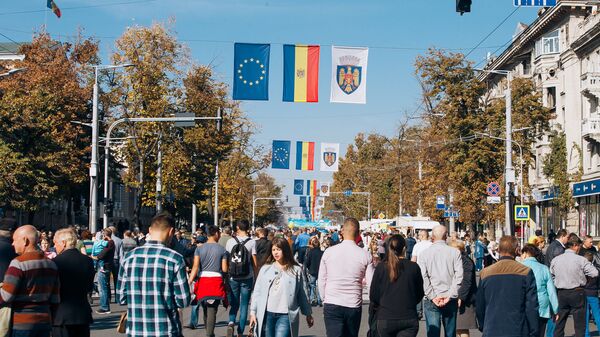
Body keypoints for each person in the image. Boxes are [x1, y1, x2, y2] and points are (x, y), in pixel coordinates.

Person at [119, 212, 191, 337]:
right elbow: (183, 300)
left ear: (150, 230)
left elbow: (121, 297)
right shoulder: (175, 259)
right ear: (171, 232)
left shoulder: (128, 258)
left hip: (136, 330)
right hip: (165, 329)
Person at [0, 225, 60, 337]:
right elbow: (55, 298)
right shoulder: (51, 264)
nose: (12, 244)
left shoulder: (18, 263)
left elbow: (6, 295)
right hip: (44, 322)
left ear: (25, 241)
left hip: (22, 322)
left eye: (14, 240)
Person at [249, 237, 314, 337]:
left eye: (278, 249)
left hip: (286, 315)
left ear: (285, 250)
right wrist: (253, 312)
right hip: (267, 313)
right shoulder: (265, 269)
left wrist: (308, 313)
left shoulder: (296, 270)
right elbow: (257, 291)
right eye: (273, 250)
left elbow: (303, 293)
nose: (276, 253)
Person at [318, 218, 372, 337]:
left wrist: (324, 299)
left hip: (332, 301)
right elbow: (371, 283)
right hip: (353, 303)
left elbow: (321, 279)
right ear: (358, 233)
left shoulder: (329, 252)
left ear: (342, 231)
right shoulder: (365, 255)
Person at [476, 236, 539, 337]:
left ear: (499, 250)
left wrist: (483, 326)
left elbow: (480, 305)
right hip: (518, 329)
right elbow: (531, 306)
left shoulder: (485, 273)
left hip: (492, 328)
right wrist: (534, 331)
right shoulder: (525, 272)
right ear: (516, 250)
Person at [369, 235, 424, 337]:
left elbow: (373, 294)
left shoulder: (381, 267)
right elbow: (420, 293)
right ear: (404, 249)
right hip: (408, 316)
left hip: (386, 316)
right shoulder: (413, 267)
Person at [417, 225, 463, 337]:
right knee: (450, 333)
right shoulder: (455, 253)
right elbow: (459, 276)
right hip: (450, 298)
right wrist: (450, 295)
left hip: (432, 299)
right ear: (446, 236)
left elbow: (423, 277)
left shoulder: (424, 254)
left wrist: (432, 296)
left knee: (433, 333)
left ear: (432, 237)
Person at [550, 234, 598, 337]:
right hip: (577, 292)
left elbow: (552, 275)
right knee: (579, 324)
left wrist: (559, 281)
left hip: (561, 292)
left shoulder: (556, 260)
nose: (579, 249)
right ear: (575, 245)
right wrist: (585, 277)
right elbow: (595, 273)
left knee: (560, 322)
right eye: (579, 247)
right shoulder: (581, 260)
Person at [52, 228, 95, 337]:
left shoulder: (55, 262)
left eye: (55, 243)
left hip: (61, 315)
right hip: (82, 313)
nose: (54, 246)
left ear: (64, 243)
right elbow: (89, 287)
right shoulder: (88, 261)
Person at [188, 225, 229, 336]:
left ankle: (208, 331)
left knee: (205, 308)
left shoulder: (199, 249)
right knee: (213, 309)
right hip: (216, 281)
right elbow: (224, 268)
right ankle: (209, 333)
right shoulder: (222, 249)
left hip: (203, 281)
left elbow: (195, 266)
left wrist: (190, 281)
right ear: (216, 234)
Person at [226, 220, 258, 337]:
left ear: (238, 227)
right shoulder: (252, 242)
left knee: (234, 303)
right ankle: (240, 332)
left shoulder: (230, 241)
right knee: (244, 304)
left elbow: (227, 259)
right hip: (247, 276)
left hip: (233, 276)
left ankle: (231, 322)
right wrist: (256, 276)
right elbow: (254, 263)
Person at [520, 244, 559, 337]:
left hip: (524, 304)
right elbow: (551, 291)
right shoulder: (544, 268)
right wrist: (556, 309)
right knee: (540, 332)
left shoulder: (519, 267)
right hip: (542, 305)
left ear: (525, 253)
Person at [449, 240, 477, 337]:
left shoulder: (465, 261)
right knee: (458, 328)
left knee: (462, 328)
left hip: (465, 299)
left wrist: (460, 296)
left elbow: (467, 281)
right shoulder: (460, 259)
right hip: (460, 296)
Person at [94, 228, 114, 314]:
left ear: (105, 235)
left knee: (102, 287)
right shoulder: (110, 243)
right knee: (103, 286)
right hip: (106, 266)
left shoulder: (110, 243)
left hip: (104, 266)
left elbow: (102, 254)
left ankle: (105, 307)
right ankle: (105, 306)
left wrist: (96, 257)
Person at [583, 252, 600, 337]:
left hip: (584, 293)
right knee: (597, 314)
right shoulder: (595, 269)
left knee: (585, 316)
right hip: (593, 293)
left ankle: (586, 334)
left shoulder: (582, 269)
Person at [304, 236, 324, 306]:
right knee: (319, 286)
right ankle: (319, 300)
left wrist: (308, 268)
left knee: (312, 285)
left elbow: (307, 262)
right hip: (320, 271)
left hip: (312, 270)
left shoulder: (310, 252)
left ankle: (312, 299)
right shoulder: (322, 253)